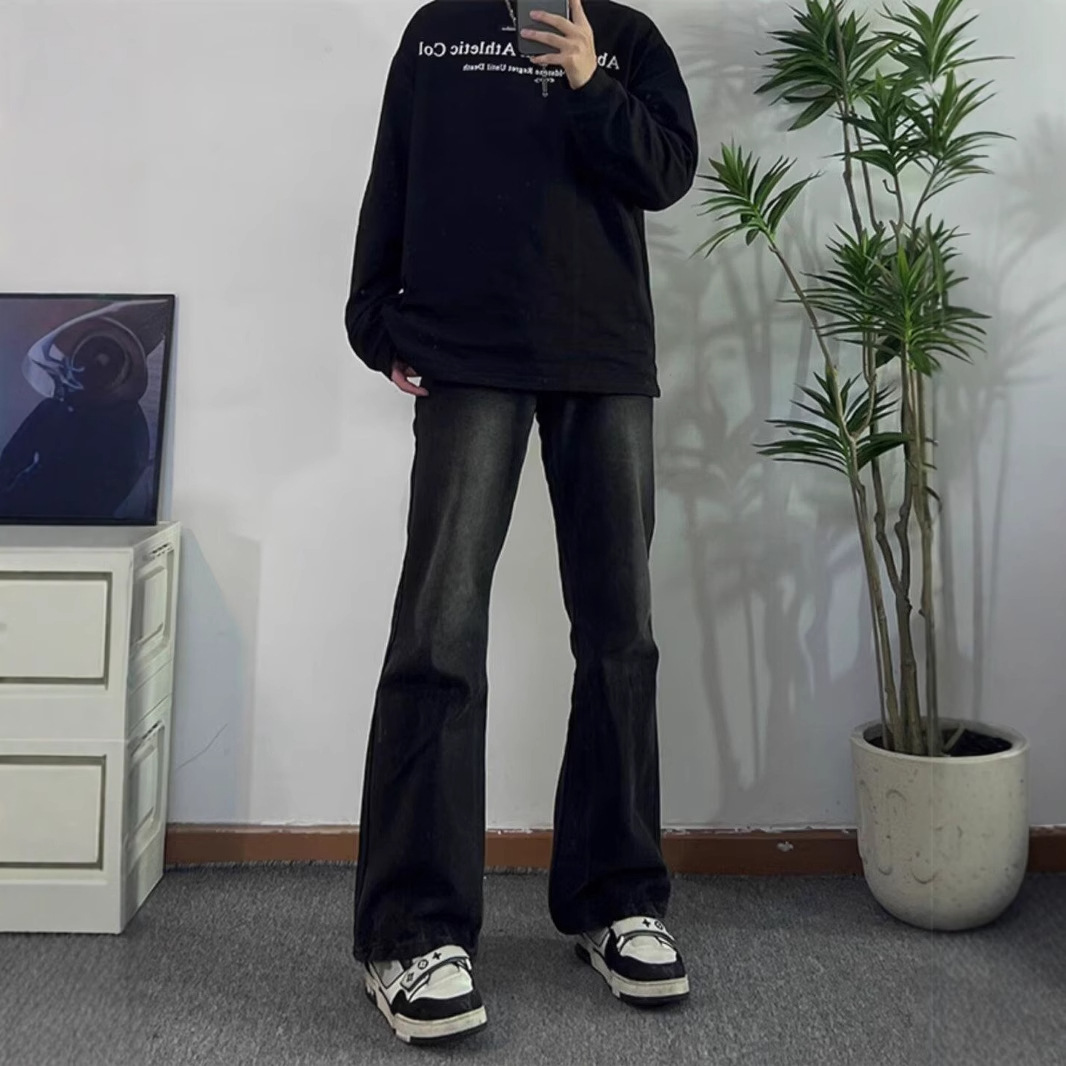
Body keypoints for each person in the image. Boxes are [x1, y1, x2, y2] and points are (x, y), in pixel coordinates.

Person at [345, 0, 698, 1046]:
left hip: (604, 359)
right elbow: (394, 171)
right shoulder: (438, 31)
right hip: (466, 354)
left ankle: (615, 899)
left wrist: (590, 80)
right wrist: (374, 318)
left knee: (621, 638)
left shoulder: (626, 38)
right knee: (438, 637)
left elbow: (666, 171)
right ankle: (412, 932)